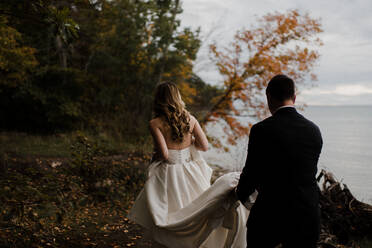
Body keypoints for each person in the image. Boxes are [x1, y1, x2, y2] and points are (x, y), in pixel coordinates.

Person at [128, 82, 248, 248]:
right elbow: (204, 146)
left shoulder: (155, 123)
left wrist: (154, 157)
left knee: (170, 211)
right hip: (190, 170)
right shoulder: (190, 119)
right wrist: (189, 142)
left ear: (159, 100)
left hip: (169, 174)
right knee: (196, 210)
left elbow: (164, 154)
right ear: (177, 98)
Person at [236, 74, 323, 248]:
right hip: (307, 215)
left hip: (270, 217)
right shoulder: (314, 130)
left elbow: (251, 173)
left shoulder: (261, 130)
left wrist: (240, 193)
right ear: (294, 98)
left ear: (269, 97)